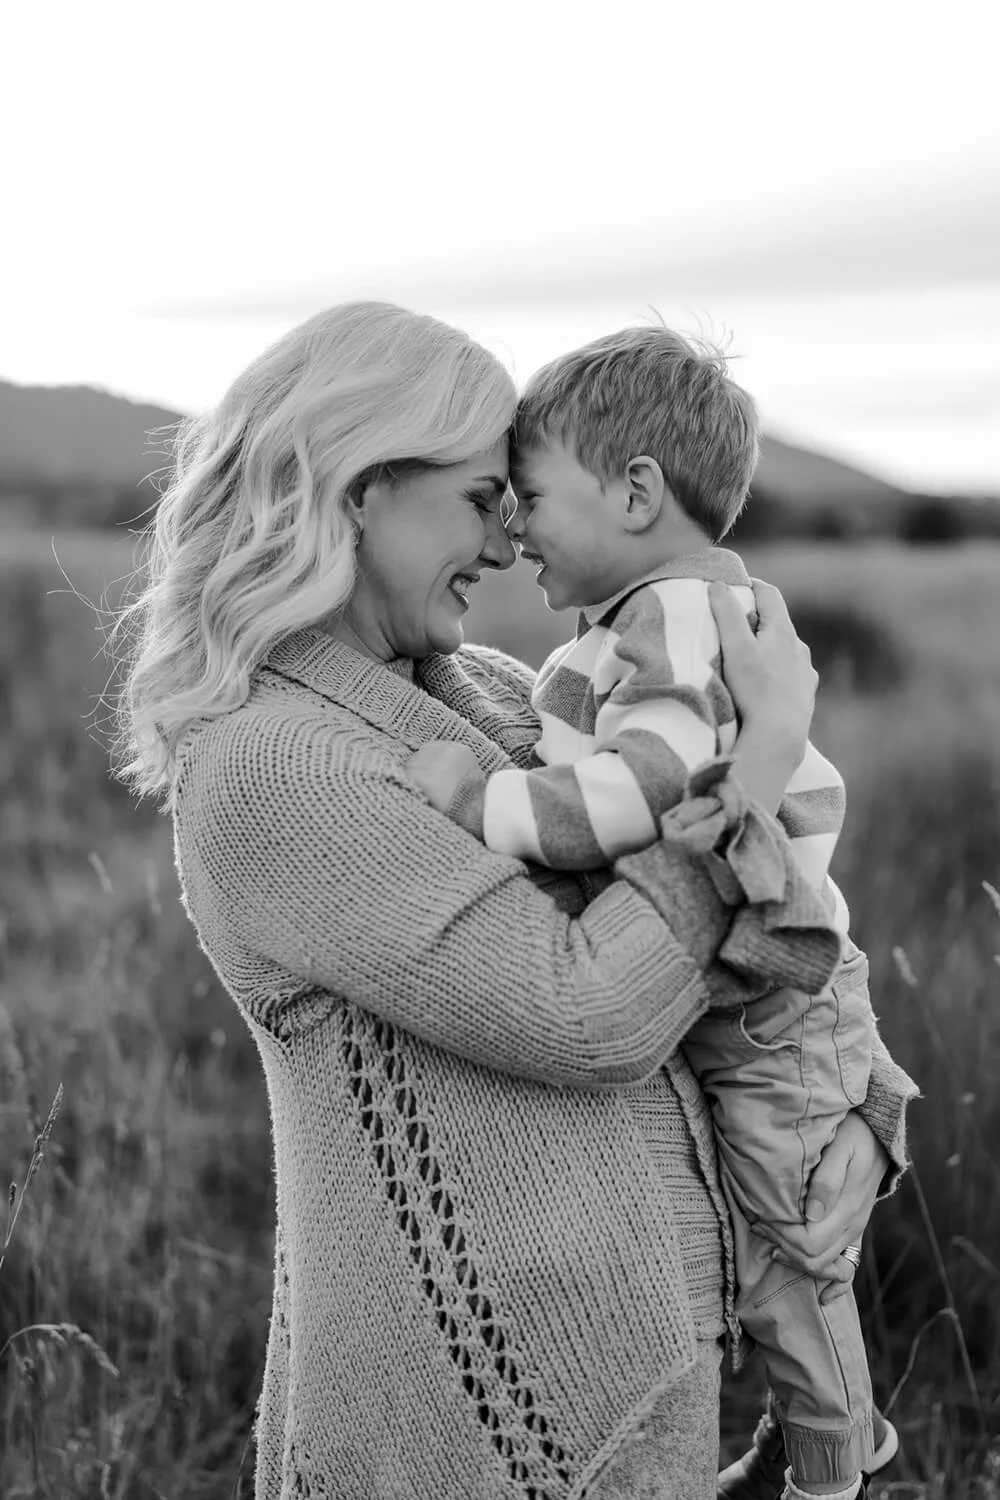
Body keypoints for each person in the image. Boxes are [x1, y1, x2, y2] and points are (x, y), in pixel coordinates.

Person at [114, 302, 916, 1500]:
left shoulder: (493, 685)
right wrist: (747, 782)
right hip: (455, 1437)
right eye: (486, 498)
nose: (505, 545)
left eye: (519, 502)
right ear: (360, 490)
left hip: (646, 1394)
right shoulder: (272, 770)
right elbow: (586, 1011)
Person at [405, 326, 905, 1500]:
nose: (513, 530)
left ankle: (838, 1467)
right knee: (774, 1245)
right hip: (764, 990)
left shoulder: (671, 617)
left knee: (790, 1262)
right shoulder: (647, 617)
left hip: (773, 1007)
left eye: (527, 498)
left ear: (635, 493)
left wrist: (486, 800)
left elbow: (653, 783)